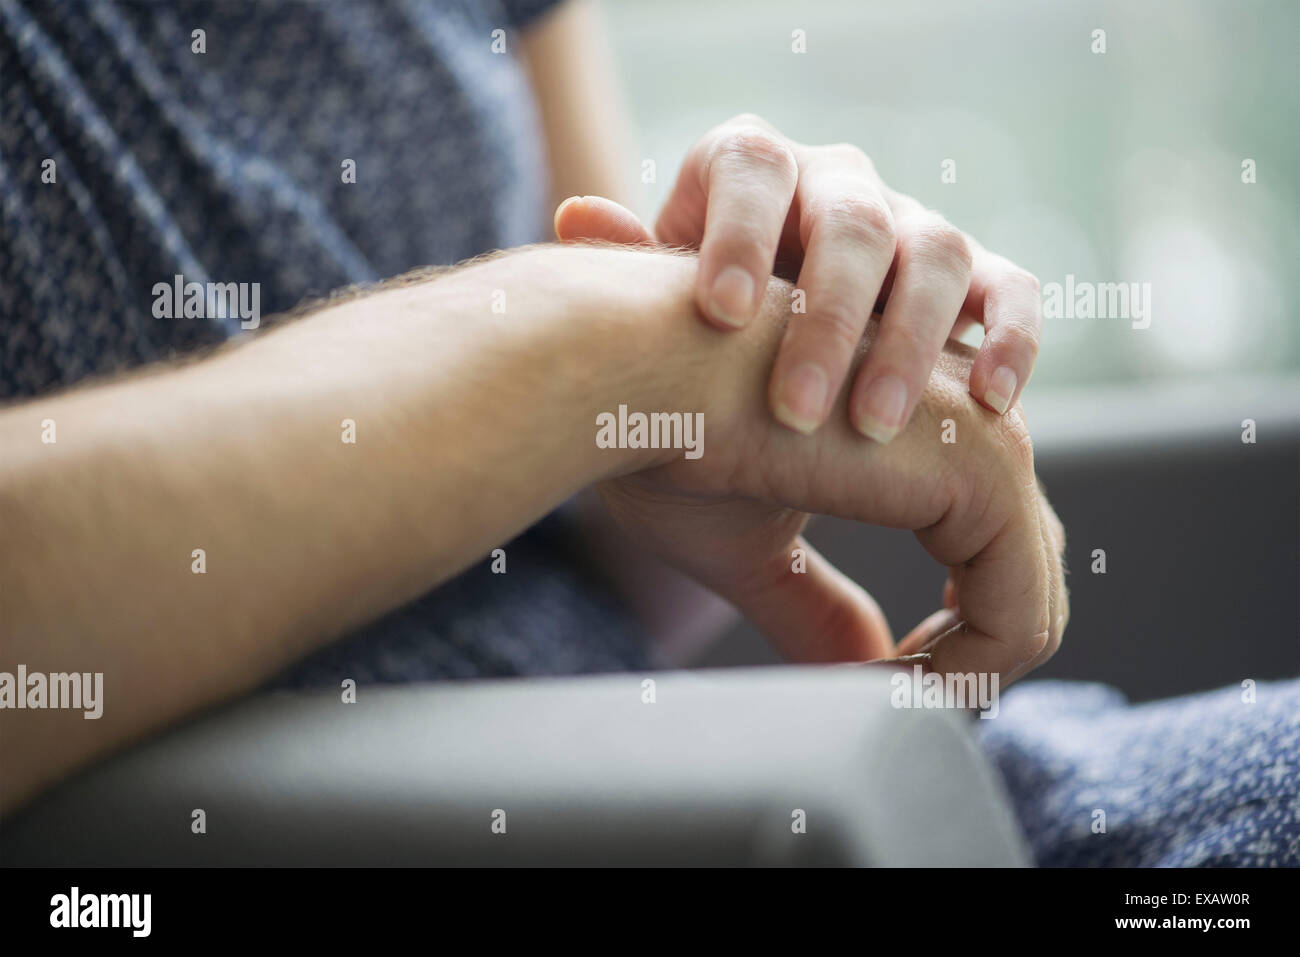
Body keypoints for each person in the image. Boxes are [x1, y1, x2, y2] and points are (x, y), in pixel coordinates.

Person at [1, 0, 1068, 813]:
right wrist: (600, 342)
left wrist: (728, 369)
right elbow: (605, 359)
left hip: (689, 777)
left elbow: (595, 526)